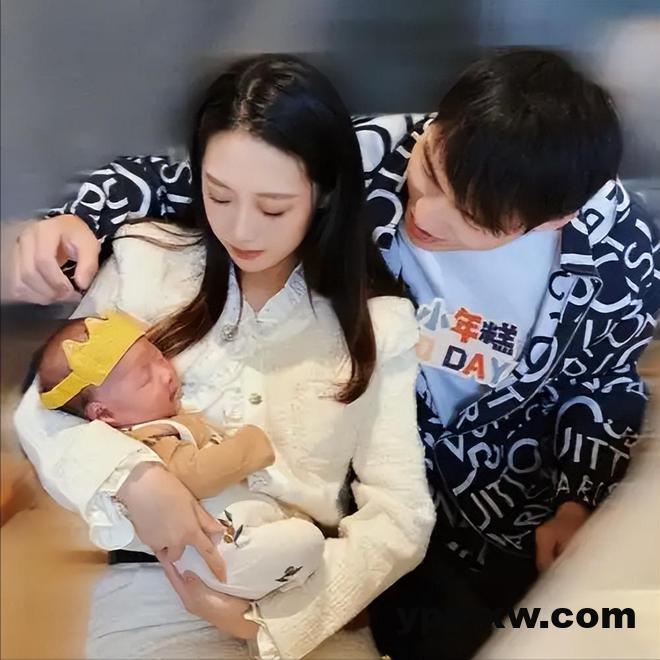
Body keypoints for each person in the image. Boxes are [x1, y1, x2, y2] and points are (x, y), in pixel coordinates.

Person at [13, 48, 660, 659]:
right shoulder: (367, 154)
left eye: (468, 215)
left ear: (548, 221)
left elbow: (602, 381)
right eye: (429, 174)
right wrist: (78, 217)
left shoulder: (617, 253)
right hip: (339, 536)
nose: (423, 213)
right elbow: (207, 167)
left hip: (506, 511)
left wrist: (578, 499)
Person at [14, 54, 435, 659]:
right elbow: (43, 412)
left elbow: (401, 513)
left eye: (273, 207)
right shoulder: (146, 260)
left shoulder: (379, 324)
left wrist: (276, 624)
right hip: (152, 594)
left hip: (307, 597)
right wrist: (136, 479)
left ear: (323, 194)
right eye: (219, 196)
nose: (241, 229)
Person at [36, 310, 327, 599]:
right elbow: (194, 476)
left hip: (229, 549)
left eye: (160, 358)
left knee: (299, 540)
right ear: (104, 414)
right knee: (307, 540)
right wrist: (251, 445)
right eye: (145, 379)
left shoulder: (163, 421)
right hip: (222, 551)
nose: (166, 374)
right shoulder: (146, 439)